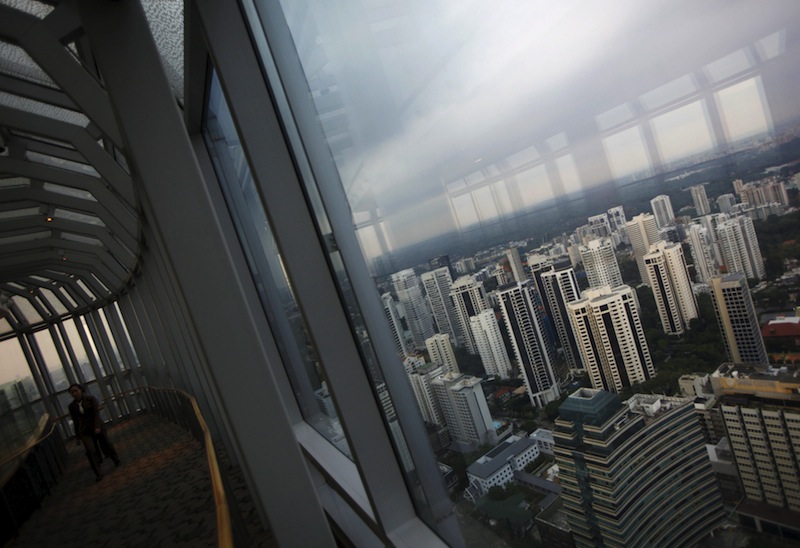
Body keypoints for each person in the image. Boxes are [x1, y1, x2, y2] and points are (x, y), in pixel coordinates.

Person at [68, 383, 120, 481]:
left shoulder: (91, 399)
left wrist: (97, 427)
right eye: (72, 392)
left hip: (97, 426)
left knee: (106, 444)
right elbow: (75, 421)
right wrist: (78, 436)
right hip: (85, 431)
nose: (74, 393)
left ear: (81, 390)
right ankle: (98, 473)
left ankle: (115, 459)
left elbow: (96, 413)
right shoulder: (72, 406)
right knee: (90, 451)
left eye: (76, 391)